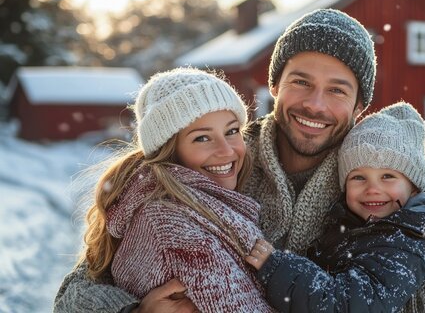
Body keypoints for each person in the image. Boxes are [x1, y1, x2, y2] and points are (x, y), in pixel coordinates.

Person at [54, 8, 425, 312]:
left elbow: (424, 260)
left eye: (338, 90)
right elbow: (77, 289)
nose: (316, 104)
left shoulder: (375, 188)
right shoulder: (217, 159)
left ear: (360, 106)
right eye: (301, 81)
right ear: (275, 87)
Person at [58, 68, 274, 312]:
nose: (226, 150)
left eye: (232, 131)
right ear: (169, 149)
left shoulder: (207, 201)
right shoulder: (173, 230)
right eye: (202, 138)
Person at [246, 102, 425, 312]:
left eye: (388, 177)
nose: (372, 189)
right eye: (359, 178)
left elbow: (349, 304)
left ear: (413, 187)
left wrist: (277, 267)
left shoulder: (409, 241)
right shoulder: (364, 228)